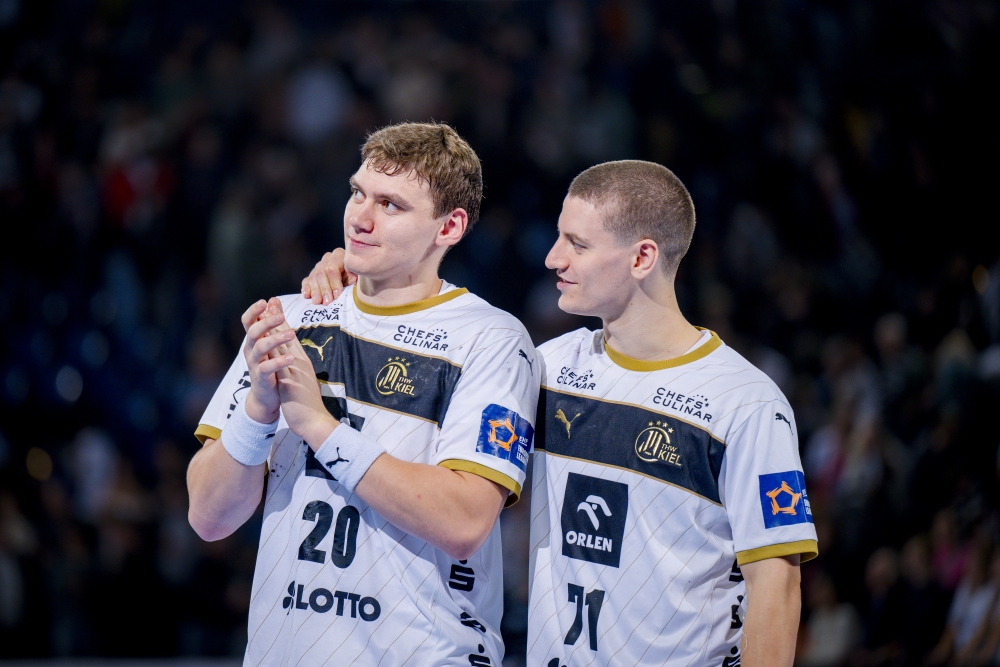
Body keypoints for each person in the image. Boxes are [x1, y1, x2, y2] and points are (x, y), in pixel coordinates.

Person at [303, 159, 818, 666]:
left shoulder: (745, 403)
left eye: (577, 244)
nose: (553, 258)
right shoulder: (545, 368)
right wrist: (362, 277)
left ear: (642, 258)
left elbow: (777, 585)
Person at [187, 122, 539, 667]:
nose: (361, 218)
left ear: (449, 226)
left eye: (391, 205)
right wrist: (258, 410)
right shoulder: (291, 318)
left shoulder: (490, 338)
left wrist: (319, 427)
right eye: (358, 193)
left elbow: (464, 521)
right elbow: (209, 518)